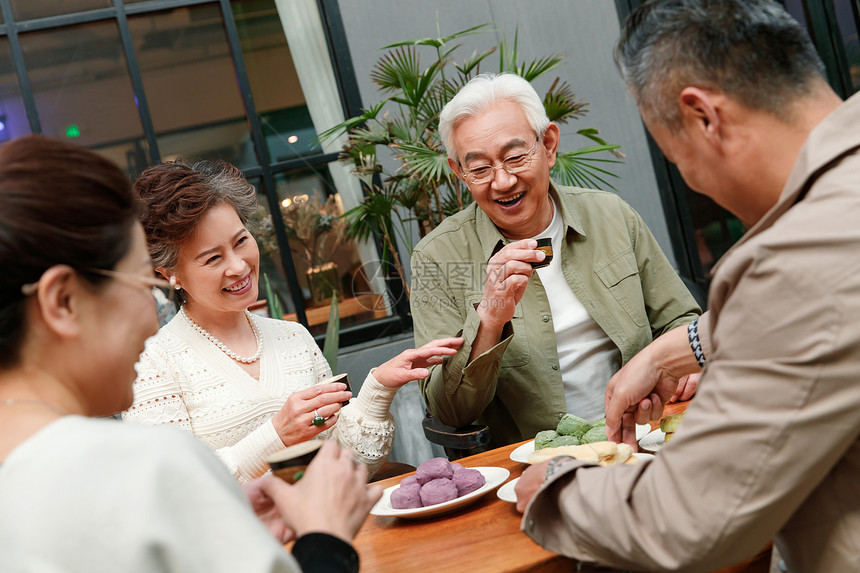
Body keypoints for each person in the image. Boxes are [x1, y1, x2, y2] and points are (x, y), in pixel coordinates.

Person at [516, 1, 860, 570]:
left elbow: (694, 518)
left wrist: (558, 488)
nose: (691, 179)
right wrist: (683, 347)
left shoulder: (797, 253)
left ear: (703, 116)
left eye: (675, 158)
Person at [0, 135, 382, 572]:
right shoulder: (147, 466)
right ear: (63, 302)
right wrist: (326, 540)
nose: (153, 319)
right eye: (144, 284)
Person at [122, 159, 462, 482]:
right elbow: (173, 488)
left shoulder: (293, 337)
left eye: (241, 241)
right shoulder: (151, 363)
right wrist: (276, 436)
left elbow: (350, 466)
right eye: (213, 258)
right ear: (170, 274)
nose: (238, 266)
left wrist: (379, 387)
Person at [410, 72, 700, 447]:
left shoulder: (611, 215)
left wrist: (684, 369)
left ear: (548, 145)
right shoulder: (436, 257)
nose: (502, 181)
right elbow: (449, 411)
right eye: (480, 168)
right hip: (536, 463)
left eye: (515, 157)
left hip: (648, 436)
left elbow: (679, 319)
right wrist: (490, 319)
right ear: (459, 172)